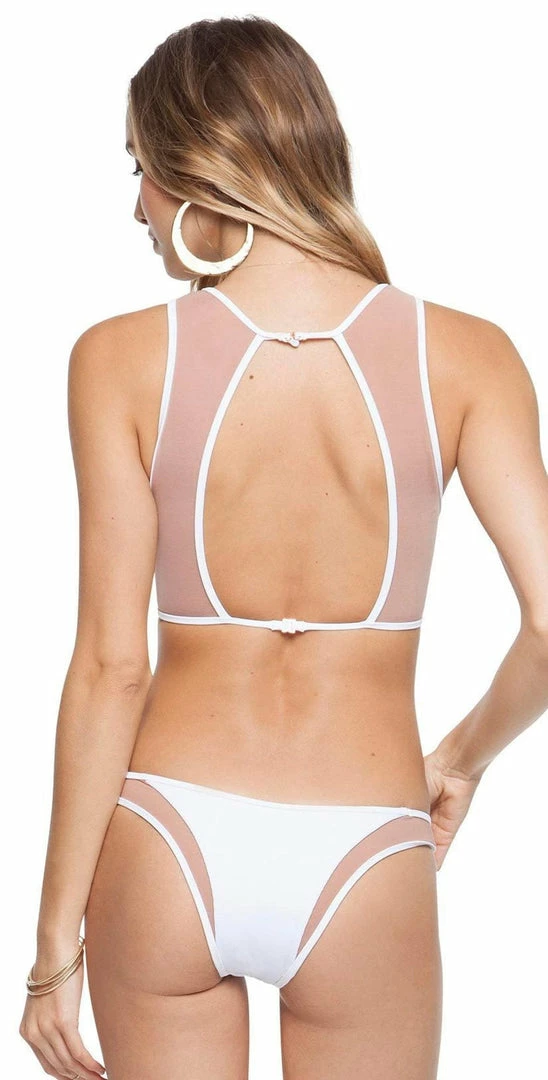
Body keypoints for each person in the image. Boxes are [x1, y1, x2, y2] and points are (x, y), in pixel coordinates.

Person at [19, 15, 548, 1080]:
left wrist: (53, 943)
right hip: (367, 847)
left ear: (200, 162)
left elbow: (112, 667)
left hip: (166, 839)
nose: (135, 204)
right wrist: (457, 760)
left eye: (139, 167)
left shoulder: (117, 360)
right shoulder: (467, 357)